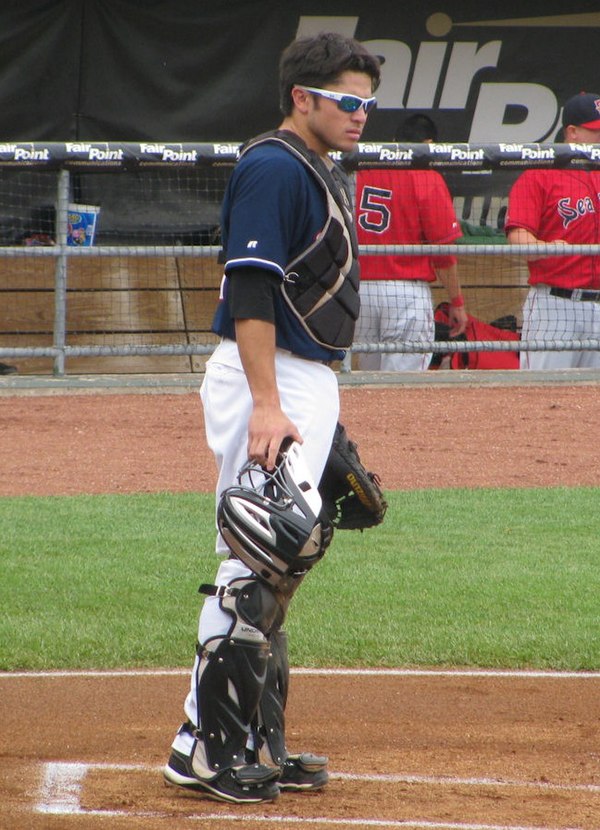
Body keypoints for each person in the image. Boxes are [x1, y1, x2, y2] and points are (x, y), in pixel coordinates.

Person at [163, 32, 381, 804]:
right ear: (303, 98)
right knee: (256, 558)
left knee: (284, 558)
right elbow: (250, 290)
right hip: (269, 375)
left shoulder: (316, 168)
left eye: (368, 103)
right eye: (349, 101)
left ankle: (254, 734)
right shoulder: (272, 166)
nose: (361, 115)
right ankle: (202, 745)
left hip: (300, 378)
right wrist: (268, 402)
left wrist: (315, 412)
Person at [354, 113, 468, 371]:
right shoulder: (425, 175)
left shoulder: (363, 169)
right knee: (402, 388)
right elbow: (443, 252)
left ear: (395, 140)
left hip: (362, 291)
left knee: (369, 384)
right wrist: (457, 301)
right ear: (428, 143)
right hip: (405, 293)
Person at [505, 92, 600, 370]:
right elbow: (517, 236)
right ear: (572, 132)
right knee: (540, 394)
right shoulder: (539, 174)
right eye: (596, 131)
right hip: (555, 306)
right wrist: (544, 247)